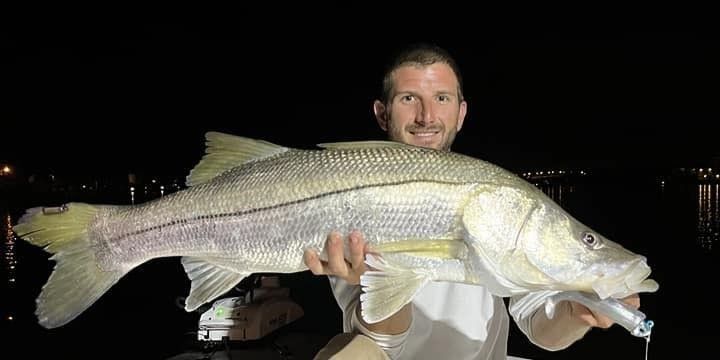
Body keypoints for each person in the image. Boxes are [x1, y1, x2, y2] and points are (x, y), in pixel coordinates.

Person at [303, 42, 641, 360]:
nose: (426, 116)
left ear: (461, 112)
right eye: (408, 98)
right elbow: (383, 342)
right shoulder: (352, 197)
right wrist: (368, 278)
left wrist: (576, 314)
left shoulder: (498, 200)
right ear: (382, 113)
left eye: (442, 98)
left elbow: (543, 329)